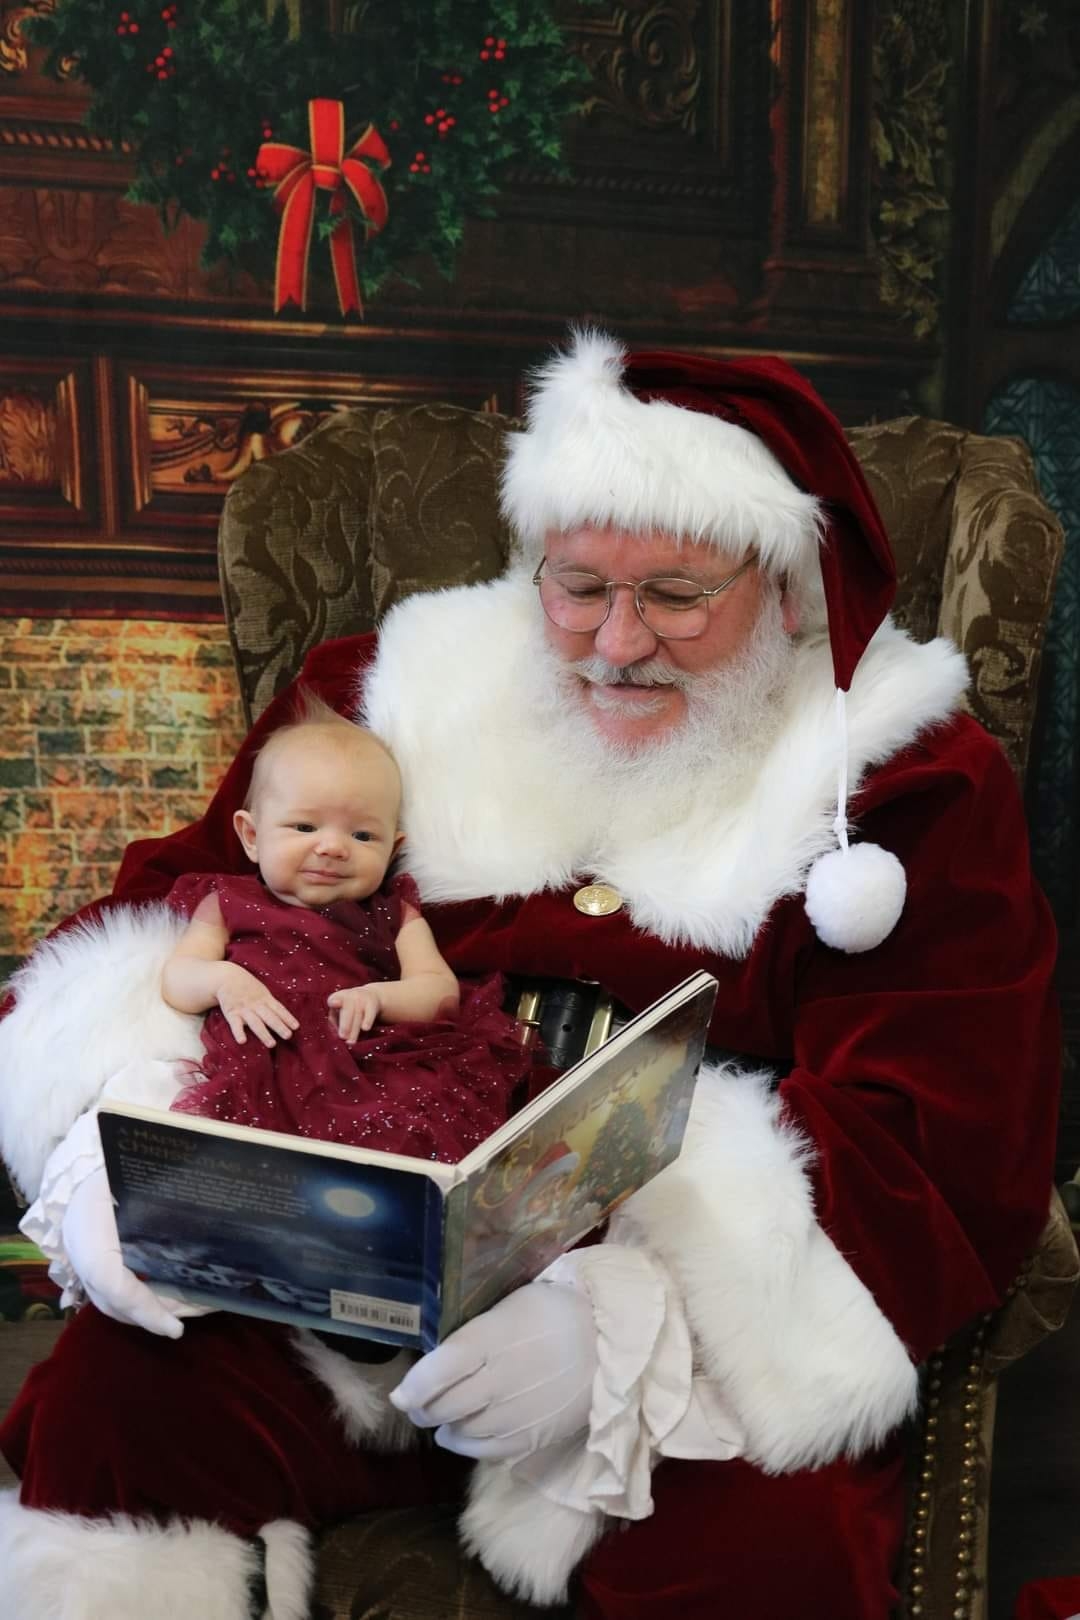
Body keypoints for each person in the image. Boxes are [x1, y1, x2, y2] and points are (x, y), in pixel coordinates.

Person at [0, 329, 1060, 1620]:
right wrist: (119, 1156)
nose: (617, 642)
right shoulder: (392, 695)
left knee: (768, 1552)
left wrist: (624, 1326)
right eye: (577, 587)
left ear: (787, 587)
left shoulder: (903, 783)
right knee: (116, 1415)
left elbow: (940, 1120)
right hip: (339, 1271)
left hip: (662, 1326)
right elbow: (165, 915)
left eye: (677, 594)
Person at [161, 696, 526, 1158]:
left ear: (392, 849)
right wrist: (225, 980)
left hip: (376, 1064)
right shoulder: (228, 902)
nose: (333, 847)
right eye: (304, 826)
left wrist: (379, 997)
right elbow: (177, 978)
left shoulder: (394, 913)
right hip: (263, 1070)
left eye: (362, 835)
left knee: (412, 1139)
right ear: (252, 836)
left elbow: (438, 990)